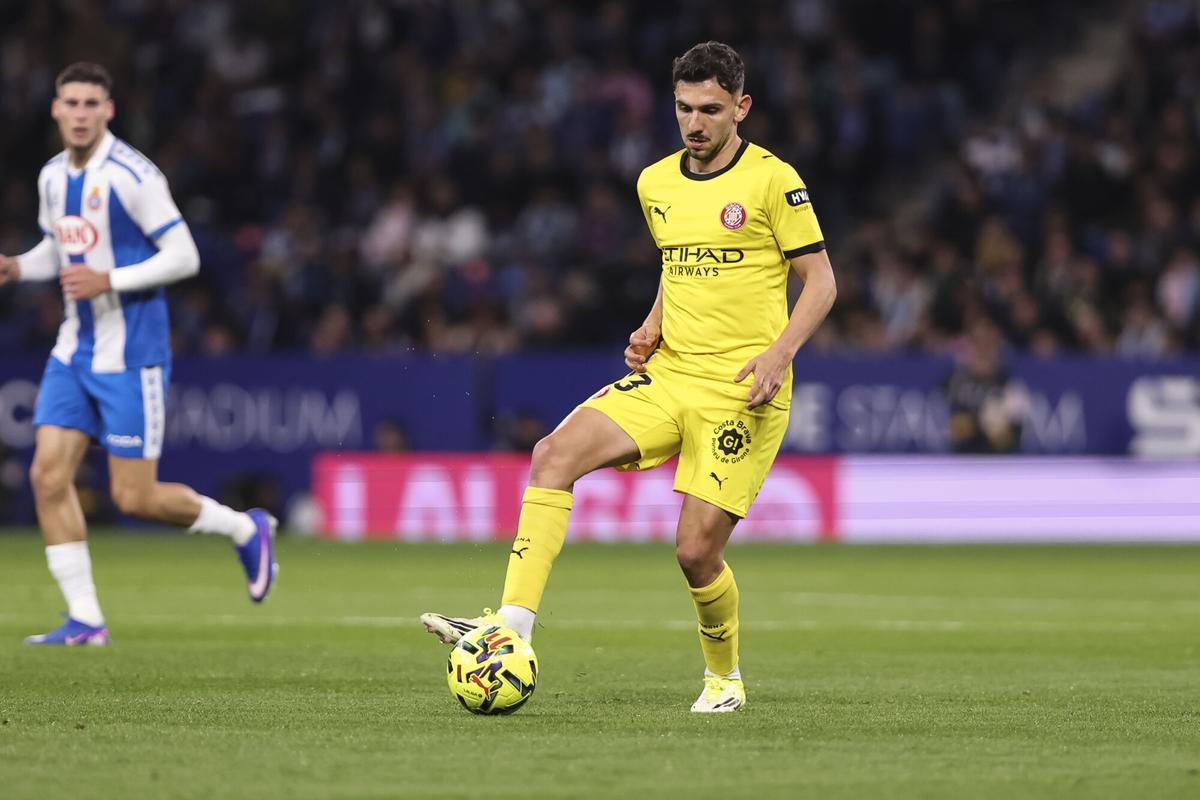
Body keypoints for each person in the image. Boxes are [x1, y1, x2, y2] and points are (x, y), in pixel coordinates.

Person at [421, 42, 836, 712]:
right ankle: (511, 632)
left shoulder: (772, 181)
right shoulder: (655, 184)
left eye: (710, 109)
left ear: (741, 108)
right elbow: (682, 267)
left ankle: (724, 680)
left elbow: (822, 282)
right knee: (551, 456)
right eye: (683, 108)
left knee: (696, 552)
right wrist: (653, 322)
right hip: (672, 375)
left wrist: (779, 353)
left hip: (742, 389)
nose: (695, 122)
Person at [0, 63, 278, 646]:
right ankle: (85, 619)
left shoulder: (132, 176)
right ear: (54, 109)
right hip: (74, 350)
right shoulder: (53, 177)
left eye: (90, 104)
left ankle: (244, 529)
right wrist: (20, 267)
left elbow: (184, 256)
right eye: (70, 102)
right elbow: (61, 248)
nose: (79, 113)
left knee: (136, 497)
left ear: (109, 110)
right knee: (48, 477)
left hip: (132, 355)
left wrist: (111, 281)